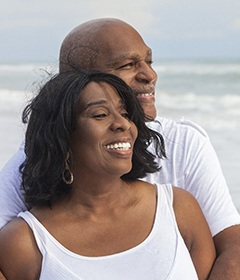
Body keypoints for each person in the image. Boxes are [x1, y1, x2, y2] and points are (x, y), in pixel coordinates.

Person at [0, 18, 239, 279]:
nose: (150, 75)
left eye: (149, 61)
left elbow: (233, 249)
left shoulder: (181, 164)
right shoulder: (27, 187)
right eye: (127, 65)